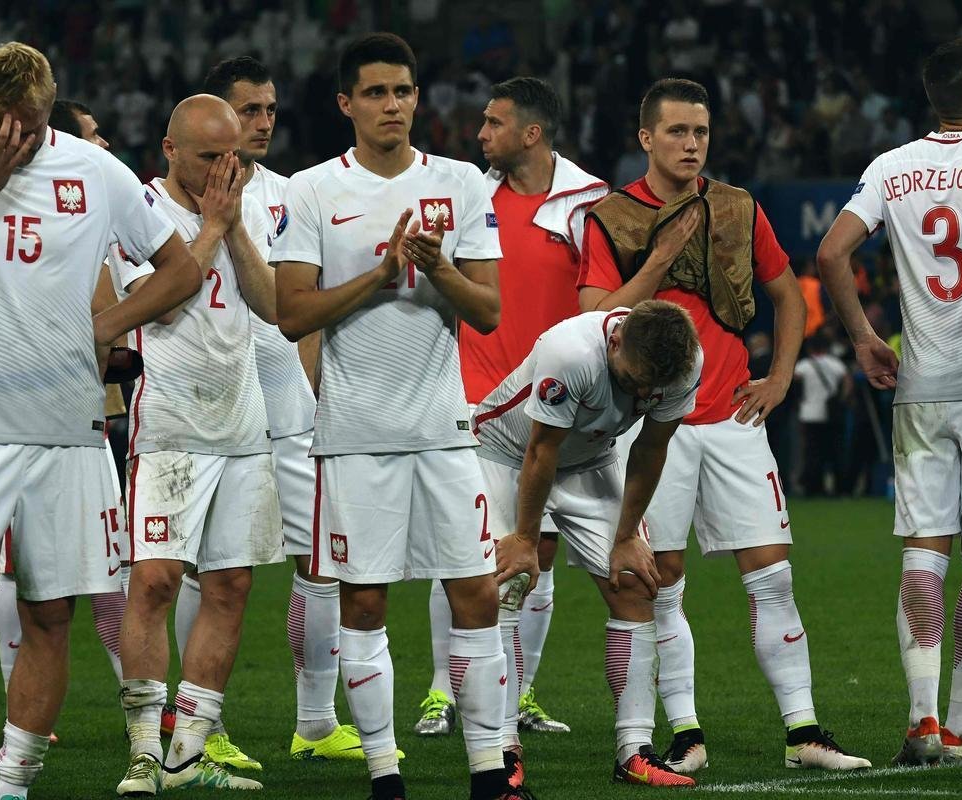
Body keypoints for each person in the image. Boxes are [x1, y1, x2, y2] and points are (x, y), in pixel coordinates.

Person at [0, 42, 201, 798]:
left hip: (67, 432)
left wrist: (104, 325)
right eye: (4, 123)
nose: (21, 137)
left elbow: (182, 270)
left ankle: (13, 785)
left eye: (34, 122)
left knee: (51, 615)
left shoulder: (95, 170)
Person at [579, 77, 869, 774]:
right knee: (663, 581)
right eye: (677, 131)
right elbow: (592, 317)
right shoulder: (611, 218)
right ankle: (685, 733)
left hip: (736, 418)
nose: (690, 144)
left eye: (700, 132)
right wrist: (657, 258)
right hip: (652, 429)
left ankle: (804, 733)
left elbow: (787, 297)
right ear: (645, 137)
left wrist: (782, 376)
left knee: (772, 576)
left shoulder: (738, 207)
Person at [272, 33, 517, 800]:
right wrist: (380, 276)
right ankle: (385, 774)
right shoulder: (312, 191)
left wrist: (436, 266)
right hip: (354, 435)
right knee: (366, 602)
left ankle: (487, 772)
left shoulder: (459, 186)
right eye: (376, 93)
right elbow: (289, 313)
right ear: (347, 104)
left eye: (403, 92)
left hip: (444, 428)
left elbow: (488, 311)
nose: (393, 106)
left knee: (475, 594)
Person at [817, 37, 962, 765]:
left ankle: (921, 724)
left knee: (924, 549)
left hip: (920, 384)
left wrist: (863, 337)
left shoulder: (891, 166)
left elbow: (831, 252)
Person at [417, 76, 608, 745]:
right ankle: (445, 692)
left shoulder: (590, 203)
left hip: (553, 404)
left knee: (540, 553)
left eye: (493, 124)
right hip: (472, 396)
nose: (480, 134)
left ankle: (519, 691)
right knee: (470, 553)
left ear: (531, 133)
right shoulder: (469, 194)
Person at [113, 94, 284, 795]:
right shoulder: (137, 210)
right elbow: (164, 299)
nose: (224, 168)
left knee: (232, 585)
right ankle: (143, 751)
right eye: (210, 156)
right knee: (154, 582)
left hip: (243, 427)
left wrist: (234, 227)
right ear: (171, 150)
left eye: (233, 155)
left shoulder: (250, 207)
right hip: (172, 429)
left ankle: (188, 749)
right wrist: (210, 229)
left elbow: (275, 309)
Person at [199, 55, 365, 766]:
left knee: (324, 560)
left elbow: (307, 305)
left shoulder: (295, 194)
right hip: (209, 413)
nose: (264, 122)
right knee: (208, 573)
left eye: (269, 109)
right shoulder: (163, 199)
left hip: (290, 413)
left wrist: (310, 392)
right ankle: (201, 727)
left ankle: (316, 721)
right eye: (249, 110)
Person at [479, 300, 702, 788]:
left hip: (592, 460)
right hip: (506, 453)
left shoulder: (683, 364)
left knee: (637, 585)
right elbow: (542, 450)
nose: (643, 393)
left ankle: (634, 751)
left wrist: (625, 537)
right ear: (616, 341)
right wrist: (523, 539)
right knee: (505, 589)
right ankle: (502, 751)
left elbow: (649, 448)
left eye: (651, 388)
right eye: (632, 381)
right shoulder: (571, 352)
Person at [0, 99, 129, 711]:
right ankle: (138, 707)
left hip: (90, 414)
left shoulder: (105, 216)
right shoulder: (74, 226)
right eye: (93, 138)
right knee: (39, 575)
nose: (104, 147)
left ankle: (143, 704)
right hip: (55, 421)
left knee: (70, 573)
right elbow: (106, 328)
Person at [793, 334, 852, 497]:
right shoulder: (835, 364)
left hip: (809, 414)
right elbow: (848, 381)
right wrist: (841, 399)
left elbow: (794, 381)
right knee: (835, 453)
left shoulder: (804, 365)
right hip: (832, 415)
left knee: (812, 454)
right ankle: (840, 488)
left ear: (810, 348)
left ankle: (813, 488)